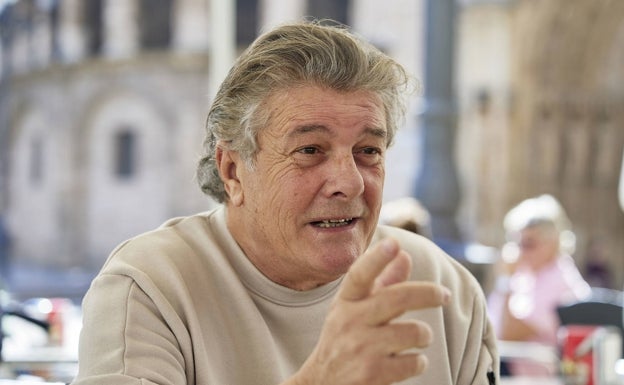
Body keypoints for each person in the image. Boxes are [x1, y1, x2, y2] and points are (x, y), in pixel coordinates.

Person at [73, 21, 498, 385]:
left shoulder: (441, 287)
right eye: (310, 150)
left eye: (368, 150)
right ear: (233, 171)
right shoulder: (152, 286)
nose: (348, 183)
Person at [487, 194, 591, 377]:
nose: (520, 252)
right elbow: (489, 326)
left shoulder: (560, 281)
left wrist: (505, 280)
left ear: (553, 242)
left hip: (536, 376)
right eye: (517, 242)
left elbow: (508, 334)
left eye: (529, 244)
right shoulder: (525, 276)